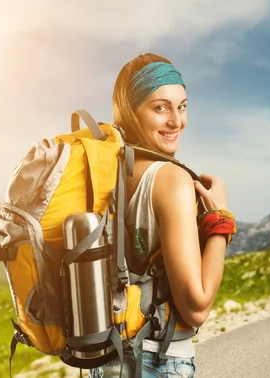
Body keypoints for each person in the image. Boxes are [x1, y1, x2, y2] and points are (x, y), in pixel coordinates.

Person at [89, 53, 235, 377]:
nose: (176, 121)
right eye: (160, 107)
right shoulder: (171, 180)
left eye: (182, 106)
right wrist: (221, 220)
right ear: (130, 110)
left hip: (106, 363)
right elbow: (196, 308)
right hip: (157, 362)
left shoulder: (104, 171)